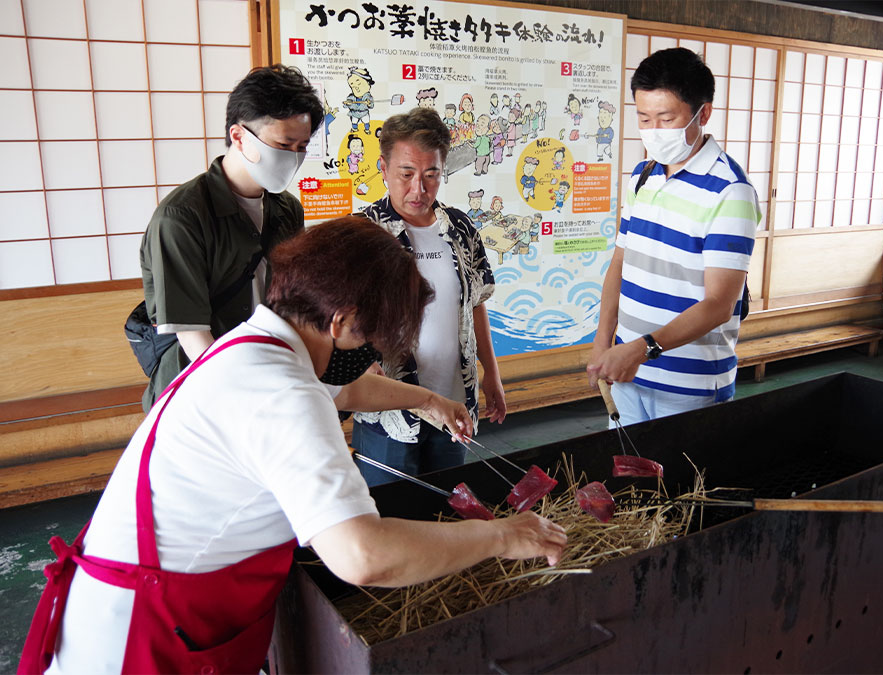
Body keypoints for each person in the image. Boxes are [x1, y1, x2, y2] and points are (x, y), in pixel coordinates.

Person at [20, 218, 567, 674]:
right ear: (340, 320)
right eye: (366, 336)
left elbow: (345, 387)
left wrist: (426, 399)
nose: (366, 347)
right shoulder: (281, 392)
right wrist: (499, 535)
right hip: (140, 638)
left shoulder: (253, 341)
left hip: (138, 604)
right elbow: (362, 556)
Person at [586, 47, 760, 425]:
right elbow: (621, 262)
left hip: (690, 384)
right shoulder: (642, 175)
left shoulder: (730, 191)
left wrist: (641, 348)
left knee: (683, 485)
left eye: (666, 118)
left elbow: (719, 303)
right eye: (644, 118)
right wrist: (605, 340)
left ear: (703, 112)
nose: (653, 131)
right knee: (629, 482)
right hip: (627, 373)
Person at [138, 64, 322, 411]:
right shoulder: (181, 217)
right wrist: (238, 397)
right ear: (239, 137)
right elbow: (191, 332)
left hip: (267, 375)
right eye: (284, 144)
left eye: (302, 146)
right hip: (199, 387)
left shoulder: (288, 210)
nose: (294, 157)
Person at [353, 108, 507, 486]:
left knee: (448, 508)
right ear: (384, 168)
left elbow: (476, 304)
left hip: (454, 399)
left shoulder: (460, 228)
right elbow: (340, 319)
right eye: (406, 174)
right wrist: (360, 365)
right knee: (391, 517)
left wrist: (492, 374)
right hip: (388, 410)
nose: (418, 190)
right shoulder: (363, 232)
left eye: (431, 175)